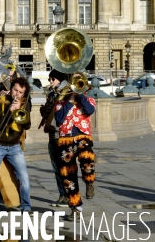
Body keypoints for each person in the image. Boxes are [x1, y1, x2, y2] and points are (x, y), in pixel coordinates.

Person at [0, 77, 32, 213]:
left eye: (20, 92)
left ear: (24, 93)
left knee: (24, 177)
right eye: (15, 90)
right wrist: (10, 111)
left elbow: (27, 125)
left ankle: (26, 206)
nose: (17, 94)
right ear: (10, 89)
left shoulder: (24, 104)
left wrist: (18, 111)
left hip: (15, 146)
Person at [55, 73, 97, 220]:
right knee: (68, 175)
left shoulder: (88, 99)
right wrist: (70, 99)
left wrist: (80, 96)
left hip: (82, 136)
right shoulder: (61, 101)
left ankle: (89, 181)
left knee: (87, 157)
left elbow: (90, 110)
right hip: (65, 138)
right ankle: (76, 208)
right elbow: (59, 119)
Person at [40, 69, 69, 208]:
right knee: (56, 168)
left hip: (62, 134)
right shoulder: (52, 94)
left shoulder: (66, 92)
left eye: (53, 79)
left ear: (59, 79)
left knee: (65, 167)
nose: (50, 82)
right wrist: (44, 111)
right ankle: (62, 195)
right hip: (52, 134)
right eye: (50, 79)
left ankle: (69, 195)